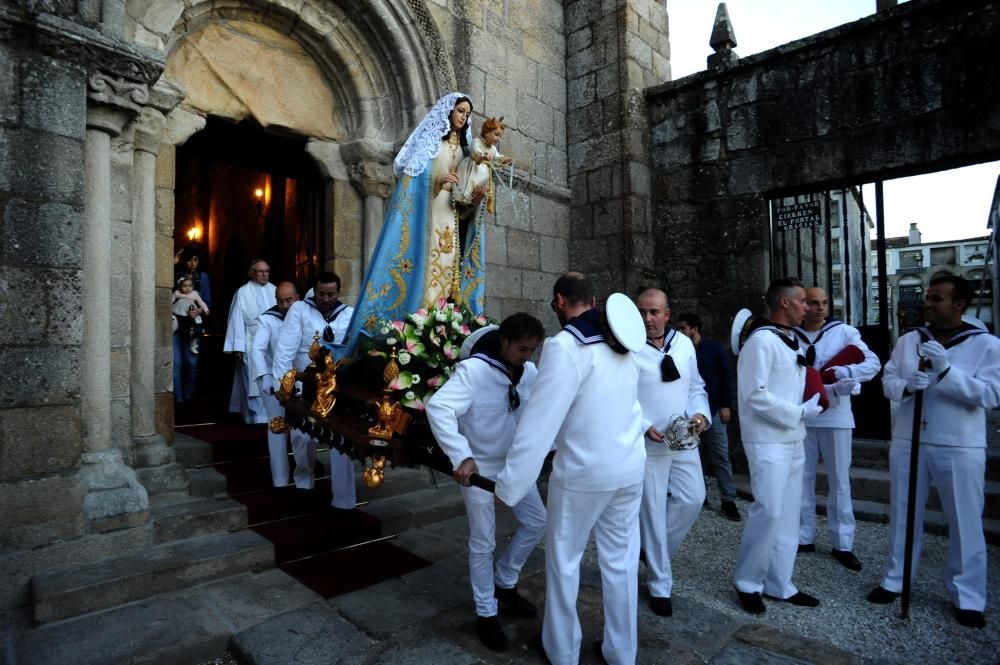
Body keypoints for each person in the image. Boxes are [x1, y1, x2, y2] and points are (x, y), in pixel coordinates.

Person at [496, 272, 646, 665]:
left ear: (559, 302)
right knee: (621, 561)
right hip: (629, 468)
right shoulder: (624, 340)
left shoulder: (566, 346)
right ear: (594, 300)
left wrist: (510, 483)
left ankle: (562, 651)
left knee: (564, 560)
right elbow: (630, 403)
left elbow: (539, 423)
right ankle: (621, 652)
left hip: (584, 472)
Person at [867, 274, 999, 629]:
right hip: (910, 438)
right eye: (928, 296)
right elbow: (888, 380)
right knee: (903, 512)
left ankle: (967, 594)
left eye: (937, 298)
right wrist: (906, 386)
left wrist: (947, 372)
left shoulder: (986, 345)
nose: (927, 303)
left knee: (965, 520)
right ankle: (895, 578)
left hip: (959, 443)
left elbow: (991, 395)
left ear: (959, 305)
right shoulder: (911, 340)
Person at [334, 92, 487, 359]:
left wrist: (472, 199)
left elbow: (464, 202)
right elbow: (414, 185)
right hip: (426, 232)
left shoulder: (465, 152)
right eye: (460, 110)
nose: (463, 117)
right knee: (425, 281)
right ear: (448, 111)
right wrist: (439, 179)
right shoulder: (430, 147)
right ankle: (416, 336)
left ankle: (441, 338)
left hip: (451, 233)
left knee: (449, 285)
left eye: (467, 113)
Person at [425, 313, 546, 652]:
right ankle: (486, 611)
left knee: (537, 521)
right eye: (523, 349)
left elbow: (537, 413)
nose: (528, 356)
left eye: (533, 350)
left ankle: (505, 582)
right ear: (504, 341)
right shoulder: (474, 372)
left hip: (515, 465)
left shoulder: (530, 372)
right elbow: (439, 408)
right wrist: (461, 456)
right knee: (483, 540)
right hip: (479, 467)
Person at [732, 277, 822, 614]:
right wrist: (800, 411)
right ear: (784, 303)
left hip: (792, 437)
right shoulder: (761, 342)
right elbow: (755, 395)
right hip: (767, 440)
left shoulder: (791, 341)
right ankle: (747, 581)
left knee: (787, 515)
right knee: (767, 511)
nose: (808, 307)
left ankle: (779, 583)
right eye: (802, 301)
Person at [792, 287, 881, 571]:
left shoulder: (844, 333)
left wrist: (844, 372)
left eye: (824, 303)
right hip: (803, 415)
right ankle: (804, 536)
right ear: (803, 305)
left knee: (839, 481)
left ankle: (843, 542)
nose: (819, 308)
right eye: (813, 303)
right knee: (801, 479)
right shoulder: (792, 335)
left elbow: (873, 363)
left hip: (837, 415)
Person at [634, 290, 710, 618]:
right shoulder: (626, 347)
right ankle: (659, 583)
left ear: (667, 313)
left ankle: (650, 551)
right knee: (651, 511)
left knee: (693, 497)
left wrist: (700, 414)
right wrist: (642, 424)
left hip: (681, 438)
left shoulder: (682, 344)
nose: (647, 319)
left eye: (654, 312)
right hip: (651, 441)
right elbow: (618, 395)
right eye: (641, 312)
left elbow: (695, 386)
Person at [272, 272, 356, 509]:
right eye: (321, 293)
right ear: (314, 291)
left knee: (342, 441)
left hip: (337, 389)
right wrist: (284, 385)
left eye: (331, 294)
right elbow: (285, 349)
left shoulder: (349, 314)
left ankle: (344, 500)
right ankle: (304, 481)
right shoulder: (299, 310)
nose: (326, 298)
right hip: (304, 384)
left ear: (338, 292)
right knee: (302, 436)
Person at [675, 312, 741, 521]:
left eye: (683, 328)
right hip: (687, 414)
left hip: (712, 410)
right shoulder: (679, 350)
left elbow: (726, 377)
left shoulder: (714, 349)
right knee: (696, 457)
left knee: (720, 456)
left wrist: (725, 405)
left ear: (695, 328)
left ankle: (728, 500)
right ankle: (699, 496)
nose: (680, 332)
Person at [249, 281, 299, 488]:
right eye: (280, 301)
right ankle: (280, 481)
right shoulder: (267, 319)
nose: (285, 305)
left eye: (289, 300)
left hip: (301, 381)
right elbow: (257, 350)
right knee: (278, 427)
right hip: (274, 383)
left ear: (298, 297)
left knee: (302, 431)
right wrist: (265, 376)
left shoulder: (306, 314)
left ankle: (303, 479)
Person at [223, 259, 276, 424]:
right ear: (252, 273)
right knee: (252, 377)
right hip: (251, 340)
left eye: (266, 271)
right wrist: (238, 345)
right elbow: (236, 319)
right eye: (260, 271)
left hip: (272, 342)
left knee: (271, 376)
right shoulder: (242, 292)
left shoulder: (275, 290)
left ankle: (272, 414)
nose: (264, 274)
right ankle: (255, 417)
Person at [453, 116, 512, 212]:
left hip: (482, 173)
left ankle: (469, 200)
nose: (498, 139)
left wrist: (505, 160)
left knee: (477, 188)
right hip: (471, 167)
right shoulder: (477, 141)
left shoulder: (493, 149)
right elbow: (475, 150)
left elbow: (497, 157)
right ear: (487, 132)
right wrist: (481, 156)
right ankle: (460, 197)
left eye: (500, 136)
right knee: (467, 183)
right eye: (496, 135)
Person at [173, 276, 210, 354]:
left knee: (195, 328)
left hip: (190, 315)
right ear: (180, 286)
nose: (187, 288)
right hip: (179, 313)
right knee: (174, 323)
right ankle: (170, 333)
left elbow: (201, 302)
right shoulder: (177, 293)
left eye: (190, 286)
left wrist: (206, 310)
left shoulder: (195, 294)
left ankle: (193, 344)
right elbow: (169, 301)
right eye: (185, 286)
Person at [174, 245, 212, 311]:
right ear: (184, 261)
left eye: (195, 260)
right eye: (189, 260)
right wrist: (174, 262)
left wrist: (198, 311)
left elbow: (208, 302)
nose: (193, 264)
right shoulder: (177, 274)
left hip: (195, 317)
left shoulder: (203, 277)